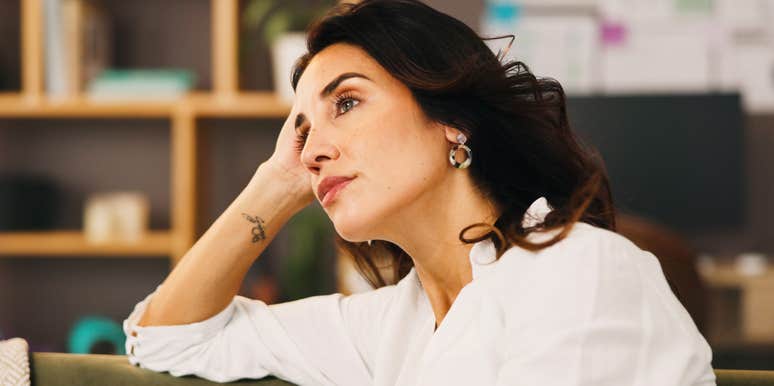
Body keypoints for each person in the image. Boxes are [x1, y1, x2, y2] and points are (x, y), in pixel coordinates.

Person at [122, 1, 717, 385]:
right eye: (303, 131)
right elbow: (169, 339)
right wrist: (278, 181)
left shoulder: (578, 270)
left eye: (346, 102)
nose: (311, 150)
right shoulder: (391, 326)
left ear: (451, 119)